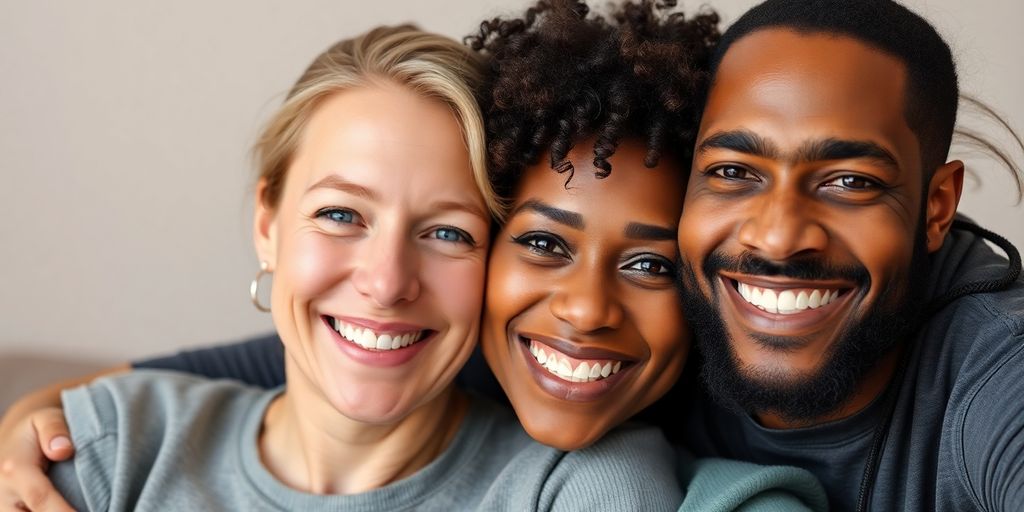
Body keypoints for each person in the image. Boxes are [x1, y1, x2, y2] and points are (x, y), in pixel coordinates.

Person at [23, 23, 690, 511]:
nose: (386, 281)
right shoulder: (116, 442)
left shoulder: (582, 487)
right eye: (341, 215)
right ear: (268, 225)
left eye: (447, 231)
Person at [668, 0, 1024, 510]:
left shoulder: (999, 368)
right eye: (733, 172)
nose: (778, 238)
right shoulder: (643, 314)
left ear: (936, 208)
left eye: (851, 182)